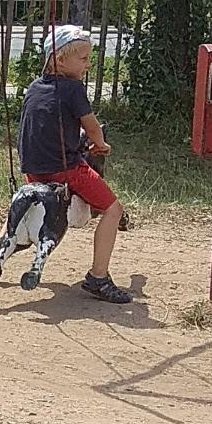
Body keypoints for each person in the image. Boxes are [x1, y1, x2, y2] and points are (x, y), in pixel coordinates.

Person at [18, 24, 132, 304]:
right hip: (65, 170)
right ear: (60, 60)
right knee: (113, 209)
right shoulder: (72, 88)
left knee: (30, 215)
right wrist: (101, 145)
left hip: (33, 170)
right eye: (83, 59)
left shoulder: (35, 87)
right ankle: (98, 277)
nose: (88, 65)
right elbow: (91, 126)